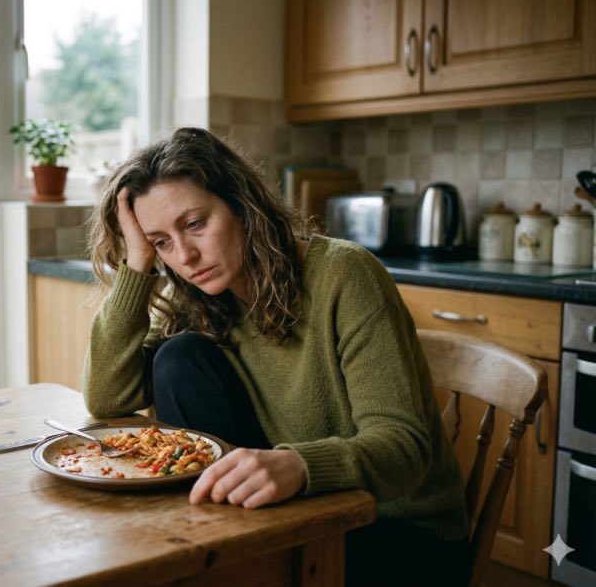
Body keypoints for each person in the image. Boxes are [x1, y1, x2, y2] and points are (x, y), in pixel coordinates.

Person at [82, 127, 471, 586]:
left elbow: (404, 447)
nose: (185, 256)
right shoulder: (198, 293)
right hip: (291, 511)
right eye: (161, 242)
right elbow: (108, 397)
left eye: (195, 224)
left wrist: (298, 465)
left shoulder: (345, 275)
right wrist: (137, 264)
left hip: (399, 528)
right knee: (178, 357)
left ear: (241, 204)